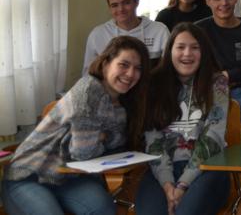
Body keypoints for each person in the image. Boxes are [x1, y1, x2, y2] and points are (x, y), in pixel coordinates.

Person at [2, 37, 149, 215]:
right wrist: (101, 137)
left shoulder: (125, 102)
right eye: (124, 64)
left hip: (69, 178)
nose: (130, 73)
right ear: (105, 64)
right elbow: (83, 153)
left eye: (138, 68)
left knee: (103, 209)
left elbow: (118, 142)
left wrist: (100, 137)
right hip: (29, 175)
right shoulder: (89, 90)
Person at [135, 24, 230, 215]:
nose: (187, 53)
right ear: (169, 50)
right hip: (162, 170)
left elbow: (213, 137)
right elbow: (152, 139)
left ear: (203, 52)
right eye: (180, 47)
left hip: (206, 168)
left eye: (195, 47)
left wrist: (183, 185)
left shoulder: (217, 82)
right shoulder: (153, 83)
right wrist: (168, 184)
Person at [83, 0, 170, 74]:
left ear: (136, 3)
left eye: (126, 3)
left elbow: (169, 68)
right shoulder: (98, 34)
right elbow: (88, 73)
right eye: (114, 5)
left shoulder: (160, 31)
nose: (121, 9)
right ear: (109, 8)